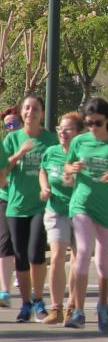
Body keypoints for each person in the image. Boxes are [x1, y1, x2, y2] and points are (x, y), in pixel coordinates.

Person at [63, 98, 108, 333]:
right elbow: (67, 168)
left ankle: (103, 304)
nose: (92, 126)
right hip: (82, 204)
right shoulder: (80, 141)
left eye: (97, 122)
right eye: (88, 122)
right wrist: (71, 170)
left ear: (107, 120)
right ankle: (79, 311)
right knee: (82, 253)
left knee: (102, 260)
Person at [3, 94, 58, 322]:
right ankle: (25, 304)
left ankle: (38, 301)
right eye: (26, 108)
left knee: (36, 253)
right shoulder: (12, 139)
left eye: (35, 109)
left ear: (42, 113)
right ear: (21, 112)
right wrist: (19, 154)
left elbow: (58, 165)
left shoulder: (51, 140)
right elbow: (3, 172)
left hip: (41, 205)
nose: (30, 112)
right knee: (20, 256)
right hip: (16, 206)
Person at [38, 112, 83, 324]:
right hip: (55, 209)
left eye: (68, 129)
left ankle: (72, 307)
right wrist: (45, 187)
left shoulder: (84, 155)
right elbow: (43, 171)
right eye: (60, 129)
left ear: (79, 132)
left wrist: (75, 180)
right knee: (56, 256)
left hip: (81, 211)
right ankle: (55, 308)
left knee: (77, 260)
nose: (63, 133)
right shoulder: (51, 152)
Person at [0, 106, 21, 308]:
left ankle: (22, 273)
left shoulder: (31, 142)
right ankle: (4, 291)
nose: (11, 127)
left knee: (20, 243)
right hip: (5, 197)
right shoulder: (5, 143)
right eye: (8, 125)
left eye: (15, 123)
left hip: (25, 200)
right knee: (5, 242)